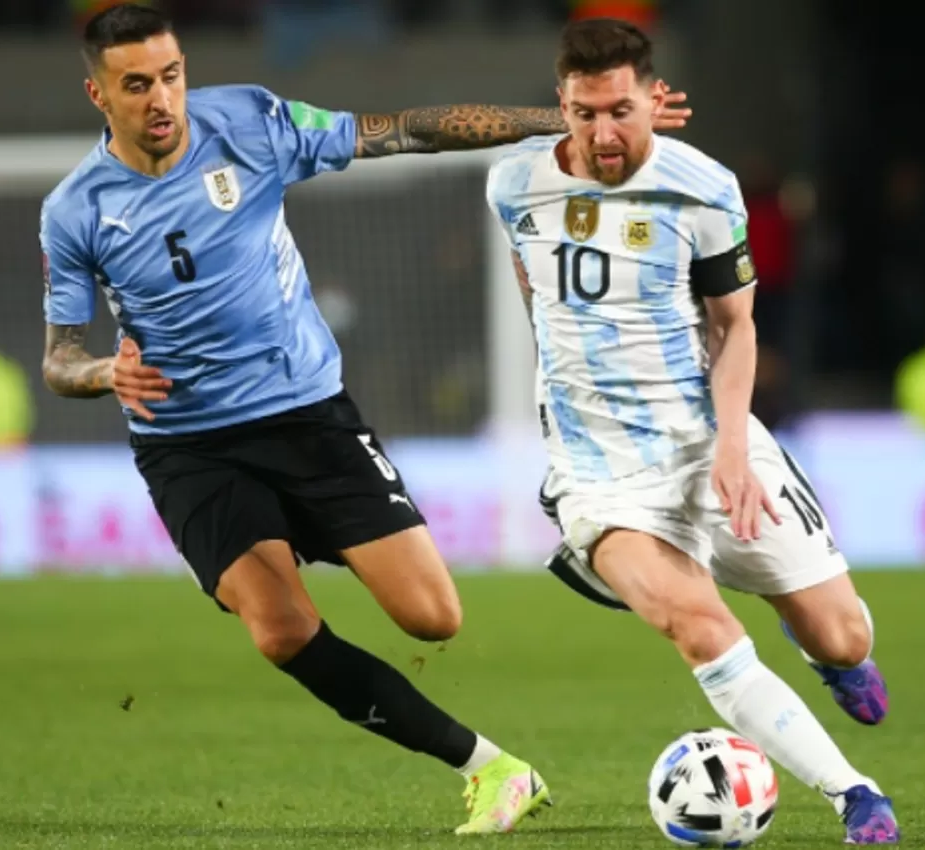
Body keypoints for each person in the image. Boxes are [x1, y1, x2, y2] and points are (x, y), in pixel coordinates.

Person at [37, 4, 690, 834]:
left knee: (434, 618)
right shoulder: (75, 211)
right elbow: (58, 359)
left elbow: (407, 131)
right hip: (188, 445)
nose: (162, 99)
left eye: (172, 75)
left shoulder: (250, 123)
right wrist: (103, 371)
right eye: (137, 85)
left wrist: (558, 121)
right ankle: (492, 769)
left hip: (306, 414)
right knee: (279, 632)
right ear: (98, 94)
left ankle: (324, 530)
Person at [485, 19, 899, 843]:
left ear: (653, 101)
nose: (604, 133)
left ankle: (830, 657)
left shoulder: (704, 186)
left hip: (709, 441)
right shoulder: (514, 186)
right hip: (599, 475)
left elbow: (736, 326)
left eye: (621, 111)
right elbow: (536, 292)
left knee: (843, 630)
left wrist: (734, 447)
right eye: (584, 112)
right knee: (700, 625)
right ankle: (856, 796)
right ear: (561, 106)